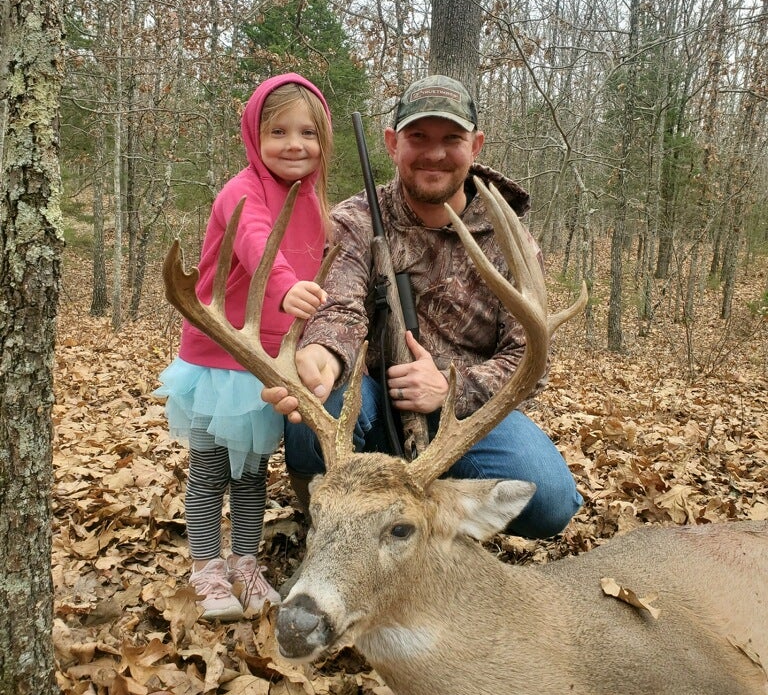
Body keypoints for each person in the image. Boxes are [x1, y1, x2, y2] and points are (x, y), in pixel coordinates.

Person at [264, 74, 582, 540]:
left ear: (475, 145)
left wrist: (450, 388)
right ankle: (337, 533)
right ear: (393, 143)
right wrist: (321, 359)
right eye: (418, 137)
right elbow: (340, 311)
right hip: (372, 405)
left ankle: (434, 509)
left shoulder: (510, 239)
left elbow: (528, 363)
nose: (434, 153)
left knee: (551, 501)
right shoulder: (355, 220)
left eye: (451, 139)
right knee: (318, 407)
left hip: (466, 414)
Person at [155, 73, 333, 620]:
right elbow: (258, 242)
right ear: (255, 136)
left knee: (253, 472)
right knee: (211, 468)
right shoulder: (241, 190)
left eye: (308, 132)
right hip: (219, 357)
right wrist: (285, 287)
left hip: (266, 359)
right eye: (278, 131)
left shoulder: (315, 199)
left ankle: (245, 562)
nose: (295, 144)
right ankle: (207, 568)